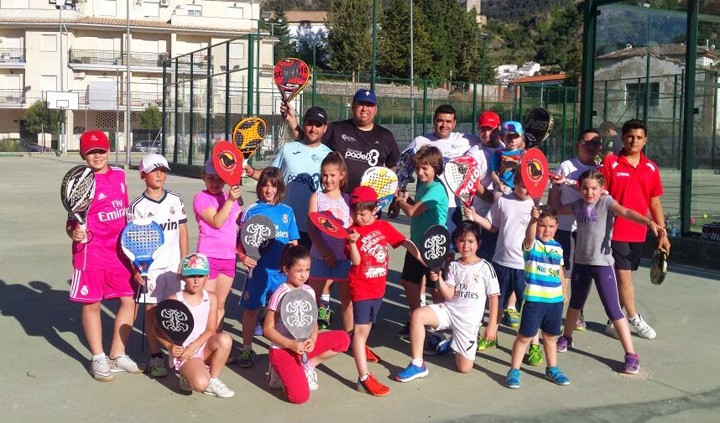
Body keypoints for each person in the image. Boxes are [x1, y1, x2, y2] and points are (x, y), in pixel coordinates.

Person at [555, 170, 665, 375]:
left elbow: (626, 213)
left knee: (614, 310)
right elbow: (558, 208)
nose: (589, 193)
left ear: (602, 189)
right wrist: (557, 186)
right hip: (581, 263)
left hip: (603, 265)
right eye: (585, 189)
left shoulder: (606, 203)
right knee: (575, 304)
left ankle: (631, 354)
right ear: (580, 189)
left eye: (594, 188)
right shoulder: (578, 205)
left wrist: (649, 222)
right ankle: (566, 337)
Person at [66, 130, 141, 381]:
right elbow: (71, 223)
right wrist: (74, 233)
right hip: (91, 253)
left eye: (101, 151)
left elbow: (125, 211)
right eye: (91, 152)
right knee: (92, 304)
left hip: (121, 252)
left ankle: (117, 354)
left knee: (130, 300)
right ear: (83, 155)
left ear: (109, 151)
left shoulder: (120, 175)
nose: (97, 156)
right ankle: (98, 357)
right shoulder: (80, 181)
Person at [393, 222, 499, 382]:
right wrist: (439, 279)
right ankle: (417, 364)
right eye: (462, 241)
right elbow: (449, 295)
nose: (466, 246)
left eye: (471, 241)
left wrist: (492, 326)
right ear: (456, 243)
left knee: (464, 368)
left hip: (468, 322)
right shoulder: (454, 266)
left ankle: (452, 342)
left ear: (479, 244)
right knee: (417, 315)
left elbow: (494, 298)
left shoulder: (485, 268)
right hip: (449, 311)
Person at [345, 186, 424, 397]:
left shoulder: (382, 226)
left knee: (366, 329)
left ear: (374, 210)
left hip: (378, 290)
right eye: (354, 212)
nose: (358, 217)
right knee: (360, 334)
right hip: (360, 289)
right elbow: (356, 261)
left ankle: (355, 347)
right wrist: (352, 243)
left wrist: (421, 258)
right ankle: (363, 377)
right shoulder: (351, 232)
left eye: (362, 213)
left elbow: (403, 242)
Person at [599, 119, 671, 340]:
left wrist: (662, 232)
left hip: (638, 233)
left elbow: (654, 202)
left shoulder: (651, 168)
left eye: (639, 137)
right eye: (630, 136)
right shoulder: (610, 164)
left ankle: (614, 320)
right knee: (623, 275)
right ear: (622, 138)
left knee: (626, 276)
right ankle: (633, 318)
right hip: (613, 231)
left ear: (645, 140)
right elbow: (601, 196)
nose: (634, 141)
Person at [466, 172, 543, 366]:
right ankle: (491, 335)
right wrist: (474, 216)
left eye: (530, 186)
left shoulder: (535, 206)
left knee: (530, 307)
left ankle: (534, 346)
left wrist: (536, 218)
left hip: (525, 266)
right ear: (515, 183)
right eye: (523, 185)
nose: (526, 190)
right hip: (501, 262)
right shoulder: (503, 201)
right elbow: (492, 226)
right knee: (496, 304)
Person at [127, 154, 189, 377]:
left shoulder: (175, 199)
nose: (160, 174)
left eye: (163, 170)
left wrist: (184, 260)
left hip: (174, 267)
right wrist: (136, 269)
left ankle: (176, 350)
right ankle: (155, 356)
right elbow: (131, 240)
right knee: (152, 313)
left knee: (174, 311)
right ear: (143, 174)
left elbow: (182, 231)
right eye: (154, 170)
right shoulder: (137, 206)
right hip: (150, 269)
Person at [264, 245, 351, 404]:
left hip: (303, 347)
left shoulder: (309, 291)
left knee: (344, 339)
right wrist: (290, 344)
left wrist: (313, 338)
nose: (304, 275)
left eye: (307, 270)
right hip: (282, 349)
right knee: (299, 398)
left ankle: (308, 366)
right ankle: (276, 371)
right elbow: (267, 329)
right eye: (299, 271)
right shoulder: (279, 293)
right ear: (286, 269)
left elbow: (313, 322)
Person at [244, 107, 333, 250]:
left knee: (305, 271)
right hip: (283, 224)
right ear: (304, 124)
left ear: (325, 128)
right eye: (310, 123)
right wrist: (252, 171)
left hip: (313, 228)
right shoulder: (288, 149)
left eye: (318, 125)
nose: (313, 128)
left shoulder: (329, 156)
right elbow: (272, 176)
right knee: (280, 269)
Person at [237, 167, 300, 368]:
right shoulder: (251, 210)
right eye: (264, 185)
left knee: (283, 313)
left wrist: (292, 268)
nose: (268, 190)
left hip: (281, 275)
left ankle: (282, 351)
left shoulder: (287, 212)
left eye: (273, 186)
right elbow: (239, 242)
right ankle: (246, 349)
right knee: (251, 310)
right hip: (258, 272)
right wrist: (242, 256)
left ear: (279, 187)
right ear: (259, 187)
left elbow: (293, 244)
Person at [284, 89, 400, 191]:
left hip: (368, 205)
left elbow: (394, 167)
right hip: (338, 199)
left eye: (369, 105)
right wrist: (292, 120)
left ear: (375, 109)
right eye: (360, 104)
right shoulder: (337, 129)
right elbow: (308, 139)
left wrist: (394, 196)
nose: (364, 109)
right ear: (353, 106)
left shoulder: (385, 136)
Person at [506, 206, 569, 389]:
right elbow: (529, 236)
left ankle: (552, 368)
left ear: (557, 226)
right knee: (525, 337)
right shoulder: (532, 245)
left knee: (550, 337)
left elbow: (559, 270)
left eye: (550, 226)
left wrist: (564, 291)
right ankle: (514, 370)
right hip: (534, 300)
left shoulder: (558, 248)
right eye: (542, 225)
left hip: (554, 301)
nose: (546, 230)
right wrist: (533, 221)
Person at [156, 253, 235, 398]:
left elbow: (211, 329)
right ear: (183, 277)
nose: (196, 281)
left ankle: (214, 379)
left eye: (201, 275)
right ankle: (187, 375)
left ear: (207, 276)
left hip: (202, 347)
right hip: (184, 353)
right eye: (192, 275)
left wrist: (193, 348)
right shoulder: (174, 300)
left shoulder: (211, 297)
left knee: (225, 339)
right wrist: (170, 347)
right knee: (200, 384)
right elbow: (158, 329)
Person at [547, 129, 603, 331]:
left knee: (583, 274)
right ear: (578, 144)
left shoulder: (601, 169)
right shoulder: (566, 166)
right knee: (564, 273)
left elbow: (600, 193)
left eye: (596, 143)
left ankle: (577, 312)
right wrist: (551, 218)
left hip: (588, 231)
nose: (591, 147)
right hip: (564, 227)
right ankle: (555, 315)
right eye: (587, 143)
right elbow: (555, 194)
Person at [391, 104, 475, 234]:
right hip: (424, 204)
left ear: (454, 123)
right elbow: (402, 170)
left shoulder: (466, 140)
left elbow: (490, 143)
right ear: (434, 121)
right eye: (440, 120)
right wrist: (396, 200)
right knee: (422, 244)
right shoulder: (420, 141)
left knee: (448, 250)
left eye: (448, 121)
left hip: (452, 206)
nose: (444, 125)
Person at [394, 145, 448, 334]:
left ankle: (438, 329)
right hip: (417, 243)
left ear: (436, 168)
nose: (420, 171)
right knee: (409, 282)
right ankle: (416, 318)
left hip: (434, 246)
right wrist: (407, 199)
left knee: (435, 289)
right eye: (418, 168)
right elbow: (416, 210)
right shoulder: (424, 186)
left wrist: (401, 201)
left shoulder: (436, 189)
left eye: (425, 168)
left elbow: (411, 212)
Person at [193, 159, 242, 335]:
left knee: (220, 305)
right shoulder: (201, 197)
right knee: (207, 304)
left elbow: (238, 228)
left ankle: (215, 343)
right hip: (209, 257)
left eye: (219, 179)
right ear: (204, 177)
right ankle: (202, 344)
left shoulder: (232, 199)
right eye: (211, 178)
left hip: (228, 258)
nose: (215, 183)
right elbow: (217, 221)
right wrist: (230, 200)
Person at [307, 152, 352, 331]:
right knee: (312, 298)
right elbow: (311, 228)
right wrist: (325, 252)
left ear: (341, 175)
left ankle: (350, 337)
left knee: (346, 301)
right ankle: (308, 335)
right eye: (324, 175)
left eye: (332, 175)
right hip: (319, 256)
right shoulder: (316, 198)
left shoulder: (349, 199)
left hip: (343, 258)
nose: (328, 179)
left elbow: (353, 228)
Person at [490, 121, 525, 195]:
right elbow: (493, 173)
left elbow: (528, 170)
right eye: (509, 137)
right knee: (497, 196)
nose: (513, 140)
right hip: (504, 187)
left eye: (516, 136)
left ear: (521, 137)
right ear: (502, 138)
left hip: (521, 188)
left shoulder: (524, 154)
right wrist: (499, 183)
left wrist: (515, 165)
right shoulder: (498, 154)